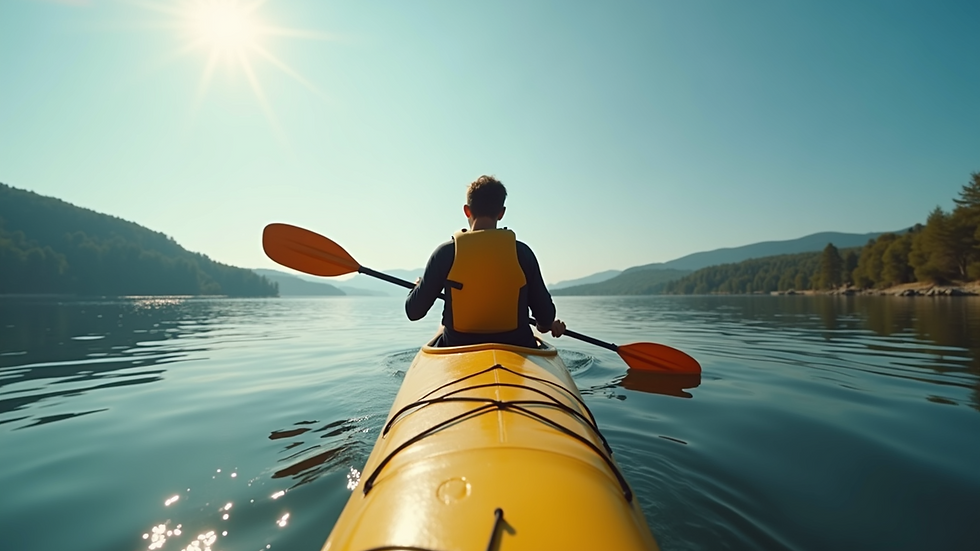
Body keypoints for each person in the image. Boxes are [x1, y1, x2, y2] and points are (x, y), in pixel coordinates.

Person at [405, 175, 566, 348]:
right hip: (517, 347)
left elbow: (414, 312)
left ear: (467, 210)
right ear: (501, 213)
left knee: (441, 329)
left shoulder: (445, 254)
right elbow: (545, 318)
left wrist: (418, 287)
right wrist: (546, 325)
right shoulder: (522, 253)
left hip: (457, 348)